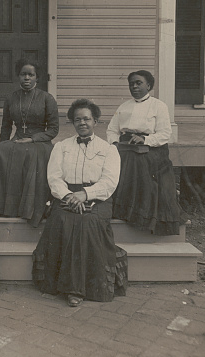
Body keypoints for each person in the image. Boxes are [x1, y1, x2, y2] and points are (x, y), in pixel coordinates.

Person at [33, 99, 128, 307]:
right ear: (72, 123)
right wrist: (68, 196)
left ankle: (78, 289)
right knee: (62, 219)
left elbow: (110, 182)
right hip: (66, 196)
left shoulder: (109, 149)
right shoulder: (61, 147)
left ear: (96, 121)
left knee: (86, 224)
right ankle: (60, 284)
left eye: (87, 119)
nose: (82, 123)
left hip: (98, 198)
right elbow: (54, 178)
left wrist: (85, 195)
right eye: (77, 120)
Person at [0, 58, 59, 227]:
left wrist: (33, 139)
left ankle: (28, 209)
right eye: (23, 74)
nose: (27, 78)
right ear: (18, 76)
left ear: (38, 77)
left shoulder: (47, 98)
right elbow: (6, 126)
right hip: (17, 139)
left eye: (31, 74)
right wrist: (1, 144)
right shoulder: (11, 98)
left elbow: (53, 130)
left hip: (39, 142)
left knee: (31, 155)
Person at [107, 70, 187, 235]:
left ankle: (141, 215)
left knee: (139, 162)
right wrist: (114, 144)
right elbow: (112, 130)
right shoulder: (124, 107)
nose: (134, 87)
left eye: (138, 83)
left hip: (152, 148)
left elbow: (165, 134)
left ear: (149, 86)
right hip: (126, 146)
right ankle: (121, 211)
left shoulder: (158, 106)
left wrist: (145, 140)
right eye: (131, 84)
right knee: (115, 162)